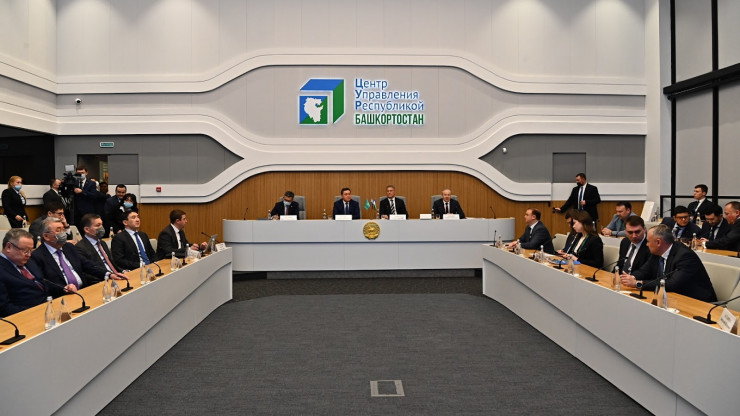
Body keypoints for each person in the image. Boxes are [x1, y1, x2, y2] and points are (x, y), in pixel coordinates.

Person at [620, 224, 716, 303]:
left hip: (698, 302)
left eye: (648, 241)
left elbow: (672, 284)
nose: (647, 244)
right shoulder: (657, 252)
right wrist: (631, 278)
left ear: (658, 242)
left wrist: (638, 283)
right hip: (672, 298)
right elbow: (644, 271)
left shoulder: (685, 256)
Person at [30, 217, 108, 298]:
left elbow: (87, 264)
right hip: (62, 296)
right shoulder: (37, 256)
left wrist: (107, 273)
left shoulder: (69, 247)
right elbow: (43, 282)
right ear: (46, 236)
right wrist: (64, 288)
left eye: (63, 229)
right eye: (58, 230)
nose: (63, 233)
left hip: (83, 290)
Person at [0, 229, 48, 317]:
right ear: (9, 247)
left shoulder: (27, 261)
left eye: (31, 250)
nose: (29, 255)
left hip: (48, 307)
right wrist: (35, 312)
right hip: (27, 316)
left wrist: (64, 288)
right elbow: (4, 308)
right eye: (25, 251)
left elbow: (42, 283)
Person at [74, 213, 126, 279]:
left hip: (115, 275)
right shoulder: (80, 247)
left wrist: (123, 271)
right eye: (97, 225)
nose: (101, 228)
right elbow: (88, 271)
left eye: (101, 224)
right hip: (102, 279)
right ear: (87, 229)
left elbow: (111, 263)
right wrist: (109, 276)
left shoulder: (102, 243)